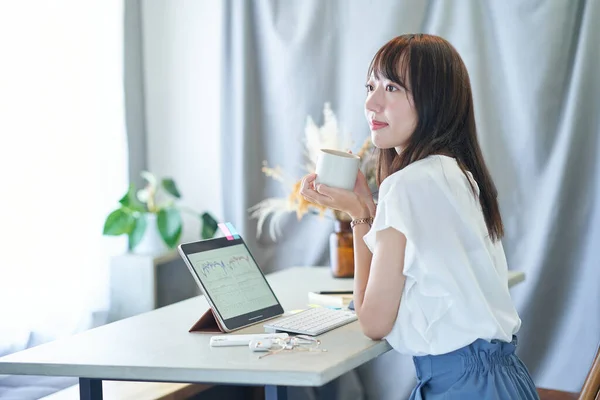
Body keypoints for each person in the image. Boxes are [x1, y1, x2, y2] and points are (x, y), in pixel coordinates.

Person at [300, 34, 539, 400]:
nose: (371, 102)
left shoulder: (408, 185)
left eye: (392, 87)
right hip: (505, 381)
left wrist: (360, 215)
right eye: (371, 85)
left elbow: (373, 322)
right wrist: (367, 209)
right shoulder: (458, 174)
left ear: (434, 101)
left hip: (463, 389)